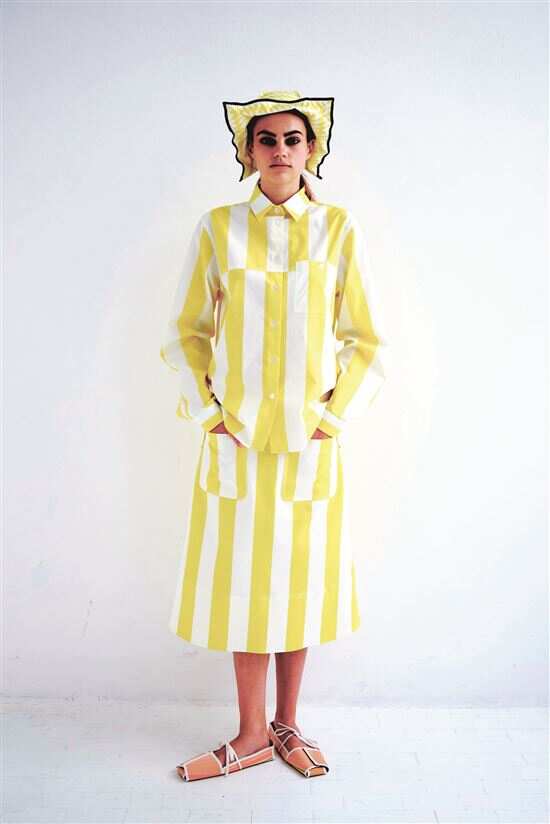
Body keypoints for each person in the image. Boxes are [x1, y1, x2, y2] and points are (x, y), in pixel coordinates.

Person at [160, 90, 389, 781]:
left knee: (300, 583)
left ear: (311, 148)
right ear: (248, 150)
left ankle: (287, 724)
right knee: (242, 586)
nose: (281, 150)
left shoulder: (338, 229)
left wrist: (331, 419)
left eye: (293, 138)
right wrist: (210, 415)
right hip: (235, 444)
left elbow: (366, 340)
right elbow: (185, 333)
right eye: (267, 139)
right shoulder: (218, 229)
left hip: (309, 446)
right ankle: (250, 732)